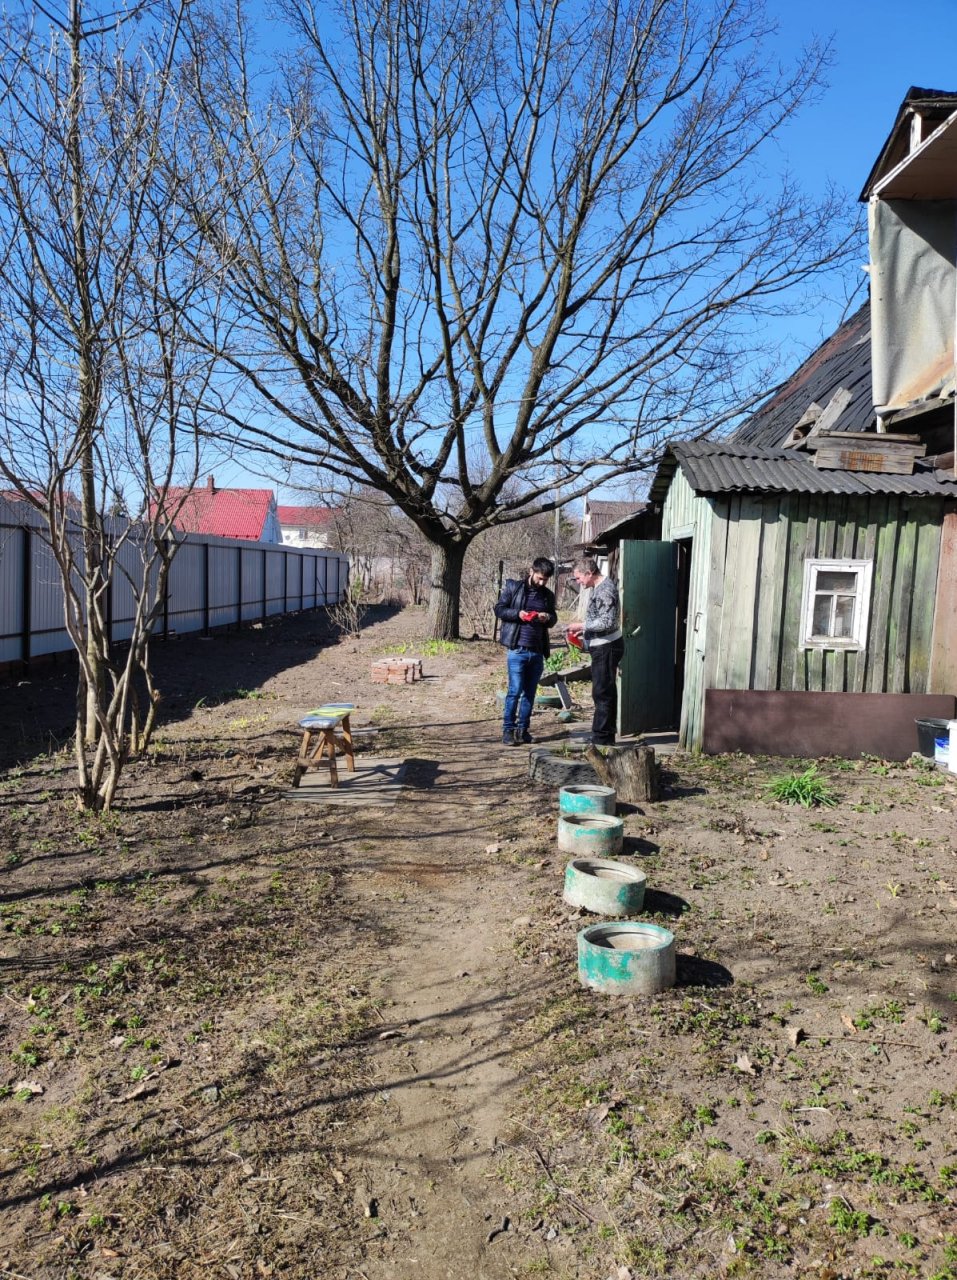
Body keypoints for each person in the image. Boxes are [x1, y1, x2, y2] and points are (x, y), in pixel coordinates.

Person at [493, 557, 557, 745]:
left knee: (530, 693)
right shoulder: (514, 588)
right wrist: (518, 614)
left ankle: (523, 730)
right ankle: (508, 731)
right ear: (531, 571)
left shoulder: (547, 595)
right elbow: (499, 609)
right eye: (539, 578)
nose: (542, 582)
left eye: (545, 579)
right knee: (514, 691)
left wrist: (548, 617)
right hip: (517, 650)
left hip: (537, 651)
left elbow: (553, 619)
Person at [566, 557, 623, 746]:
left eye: (579, 578)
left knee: (602, 692)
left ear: (589, 573)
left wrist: (582, 625)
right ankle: (602, 735)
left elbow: (607, 622)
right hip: (601, 645)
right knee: (602, 691)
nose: (578, 582)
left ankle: (603, 740)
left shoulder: (605, 590)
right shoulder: (598, 588)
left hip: (607, 647)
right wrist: (585, 630)